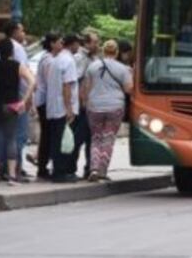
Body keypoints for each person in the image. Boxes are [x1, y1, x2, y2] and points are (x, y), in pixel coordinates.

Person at [82, 40, 133, 181]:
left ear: (103, 51)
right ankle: (102, 171)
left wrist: (86, 103)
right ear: (116, 52)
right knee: (108, 139)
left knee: (96, 138)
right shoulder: (123, 69)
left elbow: (86, 88)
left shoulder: (92, 66)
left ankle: (93, 168)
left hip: (95, 107)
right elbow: (129, 89)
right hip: (115, 107)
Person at [0, 38, 35, 185]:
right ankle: (12, 176)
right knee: (11, 139)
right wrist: (24, 100)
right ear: (12, 52)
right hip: (12, 105)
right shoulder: (17, 66)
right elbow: (32, 82)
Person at [45, 34, 81, 183]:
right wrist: (69, 109)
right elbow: (67, 86)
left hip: (53, 107)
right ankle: (61, 172)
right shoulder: (68, 61)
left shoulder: (57, 60)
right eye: (78, 44)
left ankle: (57, 171)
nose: (79, 47)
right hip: (62, 108)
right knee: (64, 141)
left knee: (56, 140)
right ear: (72, 45)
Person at [31, 32, 60, 179]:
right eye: (59, 42)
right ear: (52, 44)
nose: (61, 45)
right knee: (47, 135)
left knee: (46, 135)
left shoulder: (46, 58)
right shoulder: (48, 60)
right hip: (46, 102)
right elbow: (51, 81)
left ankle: (42, 166)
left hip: (43, 101)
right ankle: (42, 168)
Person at [73, 30, 100, 178]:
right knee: (78, 138)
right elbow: (77, 82)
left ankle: (89, 168)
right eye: (95, 42)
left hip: (92, 105)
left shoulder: (94, 59)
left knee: (91, 138)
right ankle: (71, 168)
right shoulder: (79, 58)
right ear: (87, 43)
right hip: (82, 105)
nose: (97, 45)